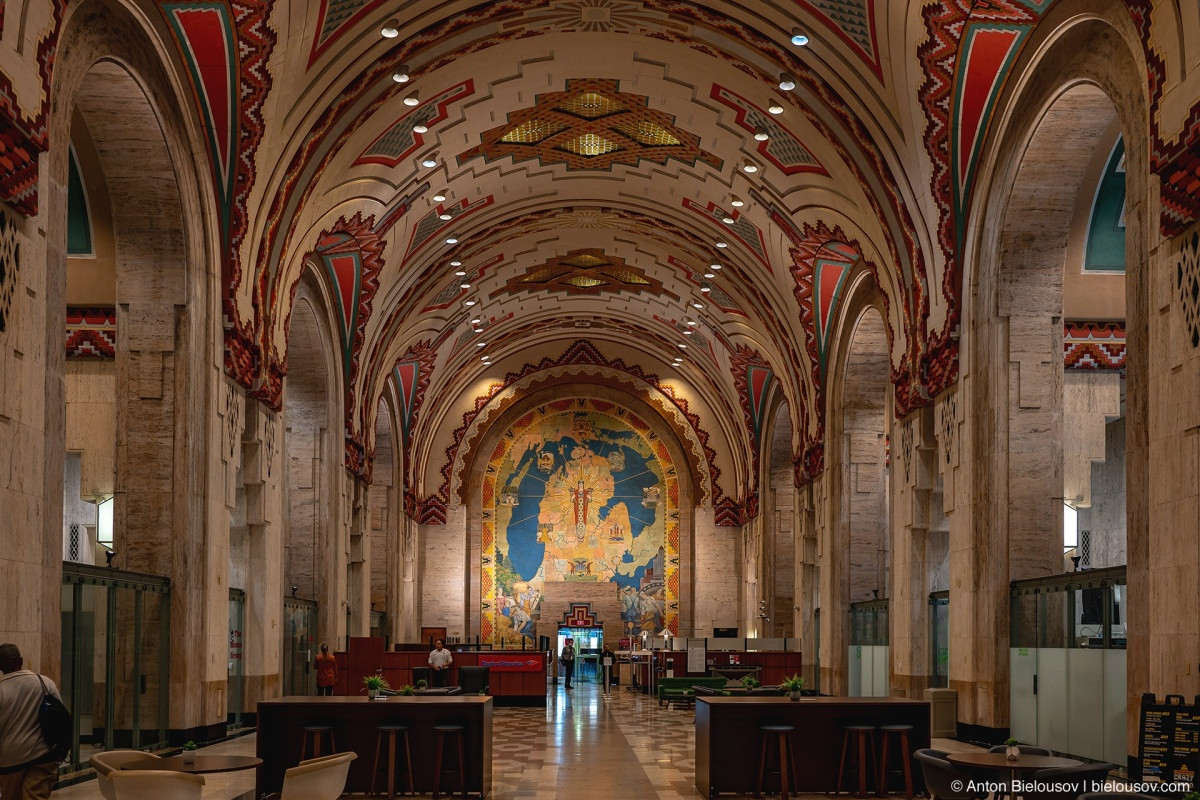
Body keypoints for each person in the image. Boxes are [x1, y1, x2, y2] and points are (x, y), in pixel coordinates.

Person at [0, 643, 61, 800]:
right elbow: (60, 719)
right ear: (20, 661)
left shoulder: (1, 689)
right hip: (43, 756)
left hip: (10, 760)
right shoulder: (45, 683)